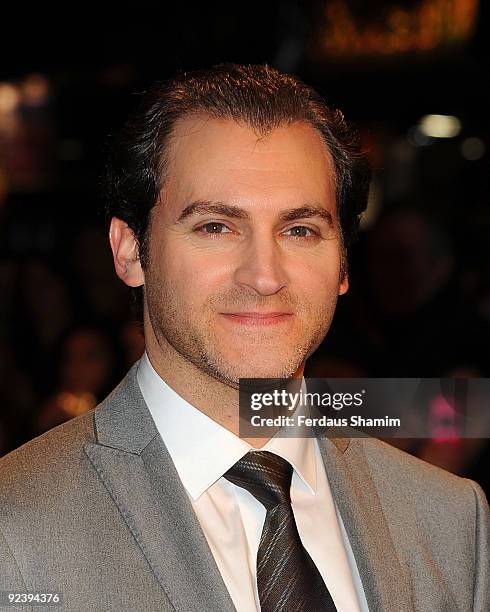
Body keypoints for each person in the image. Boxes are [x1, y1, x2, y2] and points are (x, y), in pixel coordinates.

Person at [0, 64, 488, 612]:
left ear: (344, 262)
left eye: (299, 230)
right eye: (215, 227)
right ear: (130, 251)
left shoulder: (451, 519)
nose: (264, 274)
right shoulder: (16, 530)